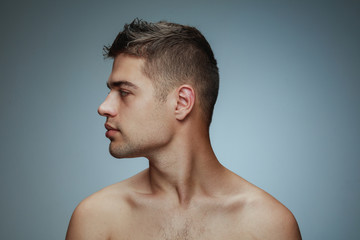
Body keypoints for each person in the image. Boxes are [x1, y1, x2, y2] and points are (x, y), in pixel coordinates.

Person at [66, 18, 302, 240]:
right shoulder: (96, 218)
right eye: (110, 91)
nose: (104, 107)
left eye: (124, 92)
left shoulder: (268, 225)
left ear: (182, 102)